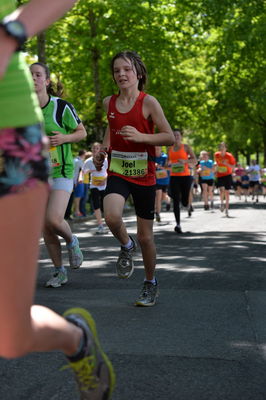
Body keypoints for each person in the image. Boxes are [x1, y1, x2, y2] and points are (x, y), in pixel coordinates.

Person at [0, 0, 115, 399]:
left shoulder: (57, 106)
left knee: (9, 335)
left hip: (10, 128)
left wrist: (10, 32)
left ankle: (76, 340)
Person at [96, 51, 174, 307]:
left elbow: (168, 137)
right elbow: (111, 130)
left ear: (138, 73)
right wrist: (102, 154)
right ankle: (126, 245)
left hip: (144, 174)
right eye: (117, 70)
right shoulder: (109, 102)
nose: (121, 74)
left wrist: (143, 137)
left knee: (146, 237)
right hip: (118, 171)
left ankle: (150, 283)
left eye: (126, 69)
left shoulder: (148, 102)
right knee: (112, 216)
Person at [30, 61, 86, 288]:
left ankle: (72, 241)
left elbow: (81, 132)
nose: (33, 78)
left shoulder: (60, 107)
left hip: (62, 171)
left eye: (37, 74)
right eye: (29, 75)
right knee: (45, 227)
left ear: (46, 80)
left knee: (54, 219)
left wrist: (63, 138)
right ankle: (59, 271)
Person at [168, 129, 197, 233]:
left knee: (184, 201)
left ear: (181, 137)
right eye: (174, 135)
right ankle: (178, 224)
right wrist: (169, 164)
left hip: (185, 177)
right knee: (175, 200)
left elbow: (195, 160)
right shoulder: (169, 148)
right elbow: (168, 163)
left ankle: (186, 204)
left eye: (177, 135)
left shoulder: (186, 147)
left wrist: (185, 161)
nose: (176, 136)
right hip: (174, 177)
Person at [83, 142, 109, 234]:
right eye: (93, 148)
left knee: (105, 206)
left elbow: (111, 172)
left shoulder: (105, 160)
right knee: (96, 205)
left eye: (97, 148)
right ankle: (100, 225)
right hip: (94, 185)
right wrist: (86, 173)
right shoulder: (88, 161)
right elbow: (83, 172)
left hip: (104, 185)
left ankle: (108, 224)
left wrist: (104, 180)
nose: (94, 150)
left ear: (100, 150)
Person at [214, 142, 236, 217]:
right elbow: (217, 164)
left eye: (223, 147)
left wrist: (226, 164)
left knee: (227, 192)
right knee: (221, 189)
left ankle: (227, 209)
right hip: (220, 175)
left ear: (226, 148)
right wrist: (215, 168)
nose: (222, 148)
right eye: (220, 147)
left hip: (227, 175)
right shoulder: (216, 154)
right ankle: (221, 203)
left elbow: (233, 167)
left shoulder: (229, 156)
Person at [154, 146, 170, 222]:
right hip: (156, 181)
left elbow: (170, 168)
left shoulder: (165, 157)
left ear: (160, 149)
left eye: (158, 149)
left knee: (164, 197)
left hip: (165, 180)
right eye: (155, 149)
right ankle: (157, 214)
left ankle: (168, 201)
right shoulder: (152, 157)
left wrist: (160, 167)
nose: (156, 150)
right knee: (158, 197)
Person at [73, 149, 86, 217]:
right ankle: (77, 212)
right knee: (78, 197)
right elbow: (82, 171)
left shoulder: (74, 159)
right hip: (78, 181)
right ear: (83, 154)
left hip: (75, 181)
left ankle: (76, 211)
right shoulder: (79, 161)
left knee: (77, 197)